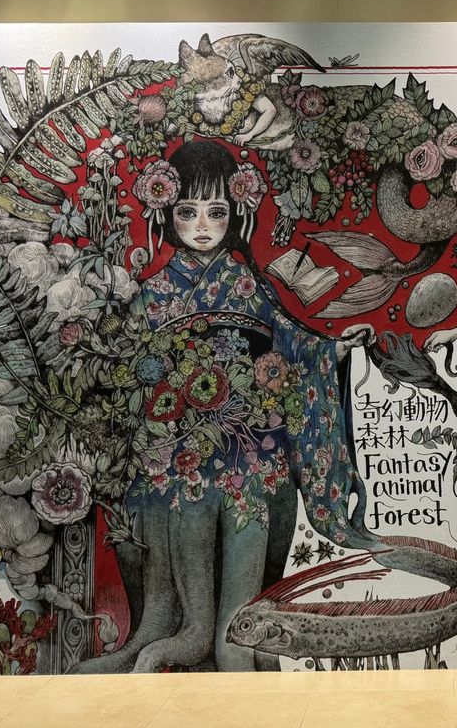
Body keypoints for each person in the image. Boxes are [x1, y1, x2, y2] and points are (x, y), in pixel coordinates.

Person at [115, 139, 373, 673]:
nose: (202, 226)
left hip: (251, 456)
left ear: (235, 213)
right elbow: (127, 375)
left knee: (243, 610)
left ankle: (237, 647)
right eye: (187, 212)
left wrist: (331, 351)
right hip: (178, 455)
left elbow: (296, 347)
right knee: (181, 600)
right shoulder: (151, 294)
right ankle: (183, 636)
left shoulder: (253, 285)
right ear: (167, 211)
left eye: (215, 212)